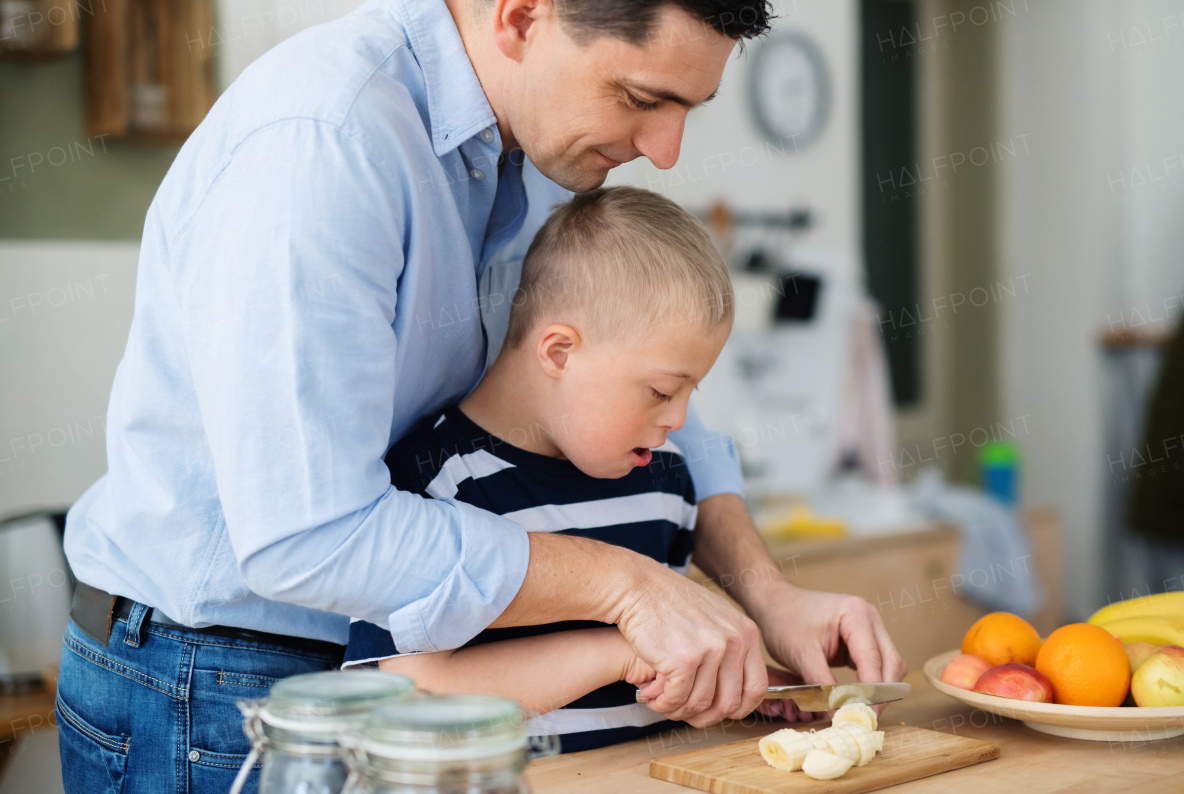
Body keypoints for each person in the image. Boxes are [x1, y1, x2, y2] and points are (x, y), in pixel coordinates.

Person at [56, 0, 906, 790]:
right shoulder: (324, 140)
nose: (666, 148)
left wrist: (767, 591)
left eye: (690, 106)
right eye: (642, 96)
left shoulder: (544, 144)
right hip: (213, 679)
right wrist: (631, 590)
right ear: (522, 15)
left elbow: (656, 394)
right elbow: (306, 535)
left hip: (393, 680)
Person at [345, 186, 741, 751]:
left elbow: (665, 677)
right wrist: (619, 654)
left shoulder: (666, 480)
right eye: (660, 391)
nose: (678, 419)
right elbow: (414, 695)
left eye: (689, 393)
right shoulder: (437, 483)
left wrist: (721, 688)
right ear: (558, 353)